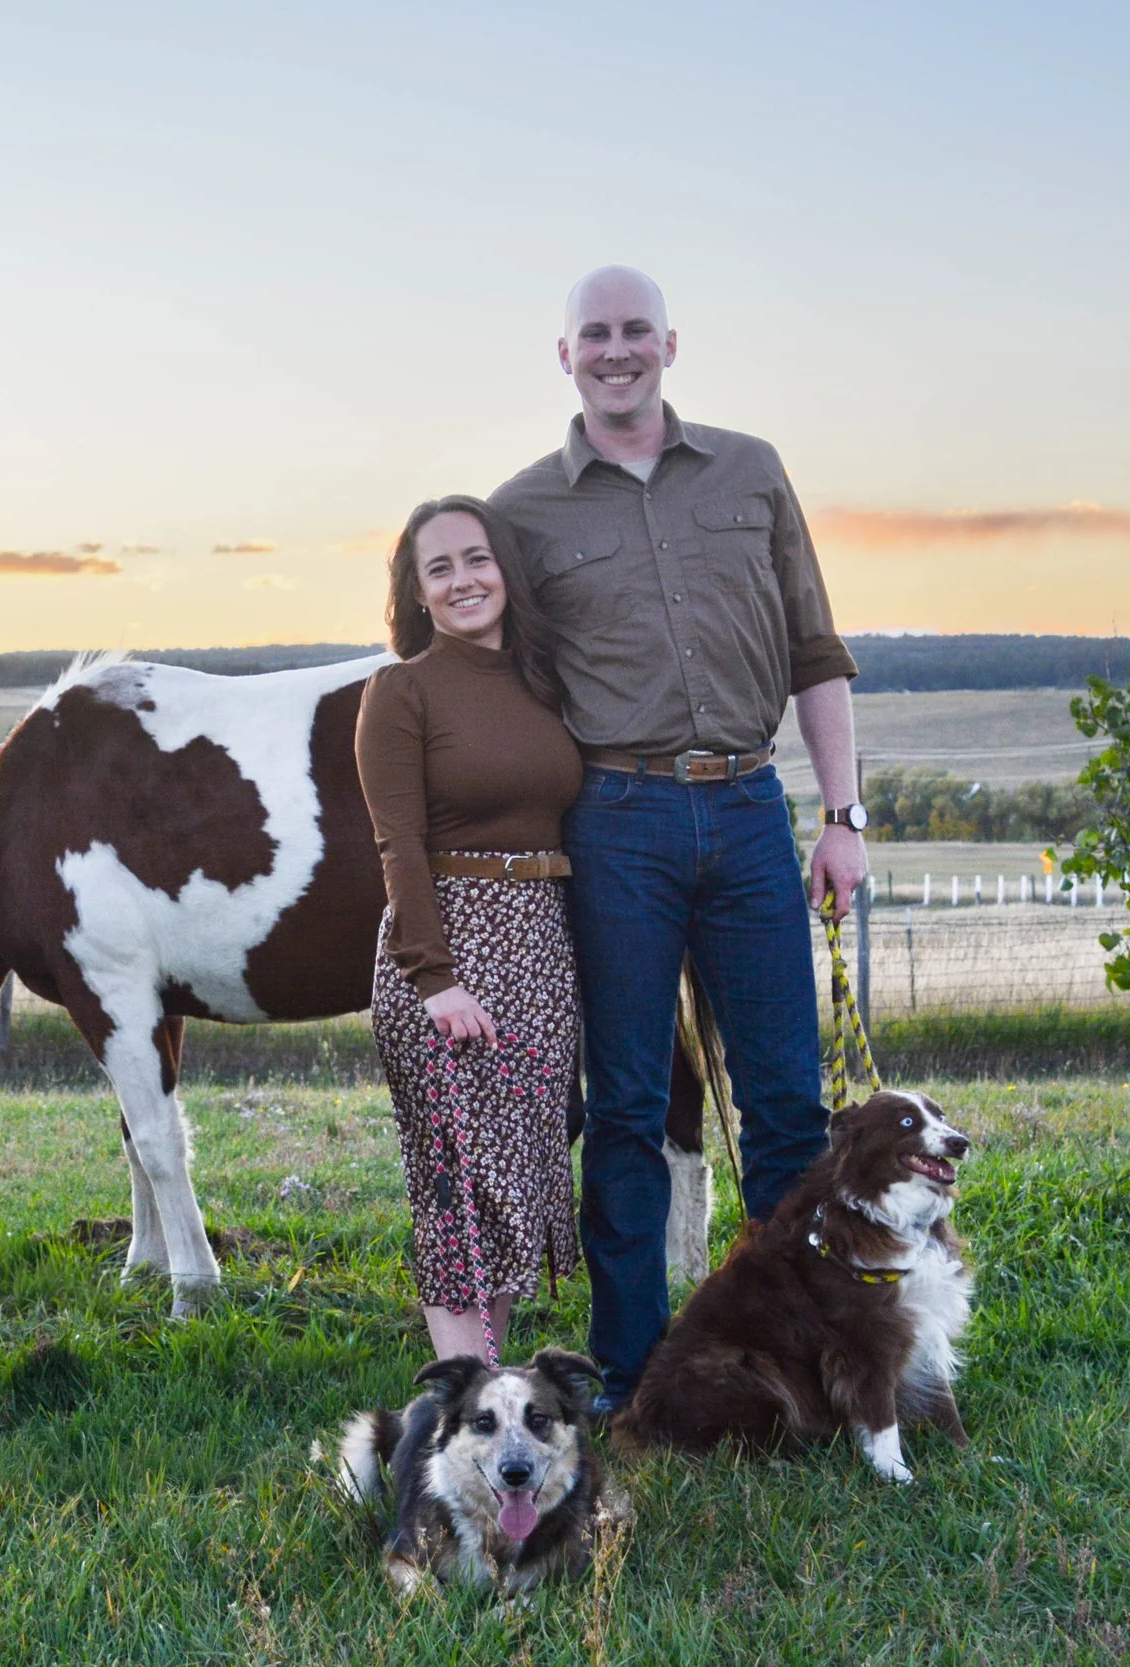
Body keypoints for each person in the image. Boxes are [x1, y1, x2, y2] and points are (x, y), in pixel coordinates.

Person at [488, 265, 870, 1409]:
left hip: (752, 809)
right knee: (623, 1108)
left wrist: (840, 817)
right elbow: (506, 690)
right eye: (593, 335)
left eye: (635, 331)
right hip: (617, 823)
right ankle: (637, 1368)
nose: (616, 350)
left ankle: (807, 1345)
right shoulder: (520, 512)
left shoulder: (750, 470)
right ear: (563, 355)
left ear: (670, 343)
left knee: (788, 1100)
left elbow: (815, 650)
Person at [357, 495, 585, 1365]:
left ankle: (491, 1379)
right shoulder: (402, 690)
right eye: (439, 568)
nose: (463, 581)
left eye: (477, 559)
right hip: (450, 949)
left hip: (539, 945)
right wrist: (434, 976)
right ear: (415, 592)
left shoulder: (545, 682)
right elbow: (397, 842)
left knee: (520, 1174)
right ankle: (465, 1393)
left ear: (506, 570)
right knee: (460, 1176)